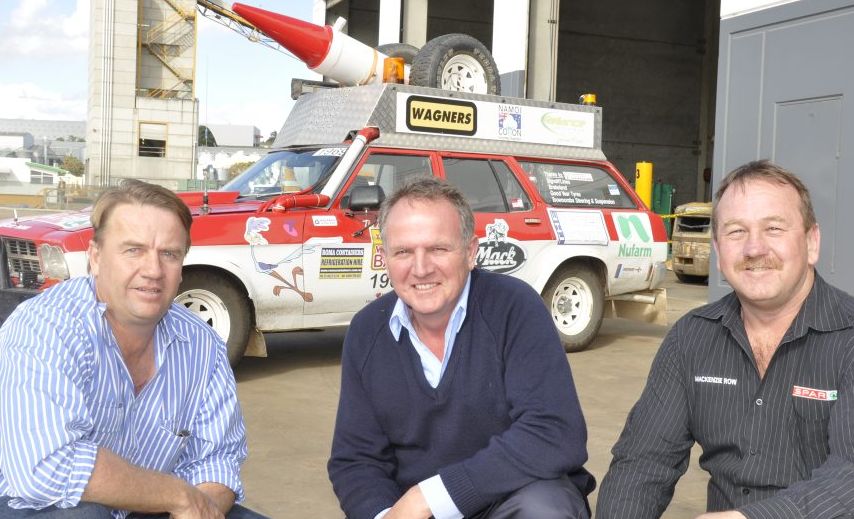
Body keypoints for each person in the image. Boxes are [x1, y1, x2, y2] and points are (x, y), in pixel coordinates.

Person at [597, 160, 854, 518]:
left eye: (774, 228)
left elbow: (849, 478)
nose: (754, 248)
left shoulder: (849, 339)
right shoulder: (692, 338)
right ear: (718, 253)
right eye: (736, 232)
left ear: (812, 243)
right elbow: (643, 463)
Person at [328, 177, 595, 519]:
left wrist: (430, 496)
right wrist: (383, 514)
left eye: (438, 249)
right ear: (384, 258)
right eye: (404, 252)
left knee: (545, 509)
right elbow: (356, 459)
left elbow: (555, 431)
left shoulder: (514, 309)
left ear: (471, 252)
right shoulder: (367, 333)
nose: (421, 268)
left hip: (510, 501)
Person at [0, 179, 265, 519]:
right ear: (95, 258)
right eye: (133, 250)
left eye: (169, 254)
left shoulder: (203, 345)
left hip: (152, 506)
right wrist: (178, 497)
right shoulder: (45, 327)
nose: (153, 270)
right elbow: (45, 467)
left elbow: (217, 459)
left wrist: (199, 506)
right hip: (30, 504)